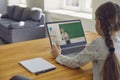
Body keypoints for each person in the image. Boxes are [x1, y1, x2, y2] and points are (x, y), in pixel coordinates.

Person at [51, 2, 120, 80]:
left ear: (99, 23)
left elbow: (75, 62)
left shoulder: (97, 44)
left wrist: (58, 56)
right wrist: (90, 49)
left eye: (95, 20)